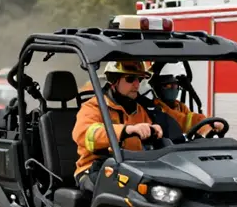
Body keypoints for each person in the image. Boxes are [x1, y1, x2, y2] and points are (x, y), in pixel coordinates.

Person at [73, 60, 178, 192]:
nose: (136, 84)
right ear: (114, 81)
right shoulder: (93, 107)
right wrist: (126, 130)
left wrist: (154, 132)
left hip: (131, 169)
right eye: (130, 79)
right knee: (119, 193)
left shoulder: (139, 109)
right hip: (95, 170)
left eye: (139, 79)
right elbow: (84, 134)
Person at [151, 64, 223, 136]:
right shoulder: (157, 107)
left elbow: (189, 116)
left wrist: (209, 122)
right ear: (158, 89)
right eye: (168, 86)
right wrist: (203, 120)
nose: (173, 88)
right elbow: (181, 120)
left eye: (175, 86)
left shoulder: (180, 106)